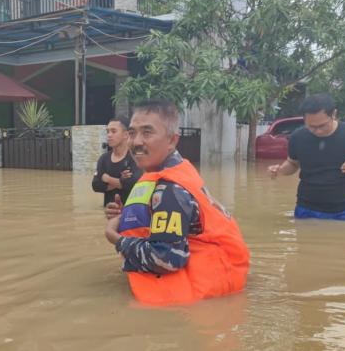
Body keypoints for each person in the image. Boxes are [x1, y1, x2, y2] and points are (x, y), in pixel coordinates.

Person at [103, 100, 250, 306]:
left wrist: (116, 238)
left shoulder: (170, 188)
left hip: (209, 292)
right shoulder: (168, 172)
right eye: (132, 133)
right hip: (226, 270)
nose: (136, 142)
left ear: (172, 140)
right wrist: (125, 217)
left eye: (147, 133)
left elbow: (165, 259)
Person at [268, 93, 345, 220]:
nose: (318, 130)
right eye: (311, 126)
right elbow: (292, 164)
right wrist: (279, 170)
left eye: (322, 125)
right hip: (305, 208)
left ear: (334, 114)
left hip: (343, 210)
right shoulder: (297, 137)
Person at [92, 116, 141, 206]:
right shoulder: (104, 159)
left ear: (126, 135)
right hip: (110, 213)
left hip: (131, 211)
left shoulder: (135, 157)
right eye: (108, 131)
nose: (109, 135)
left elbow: (134, 185)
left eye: (114, 131)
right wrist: (121, 181)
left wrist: (107, 179)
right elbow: (96, 186)